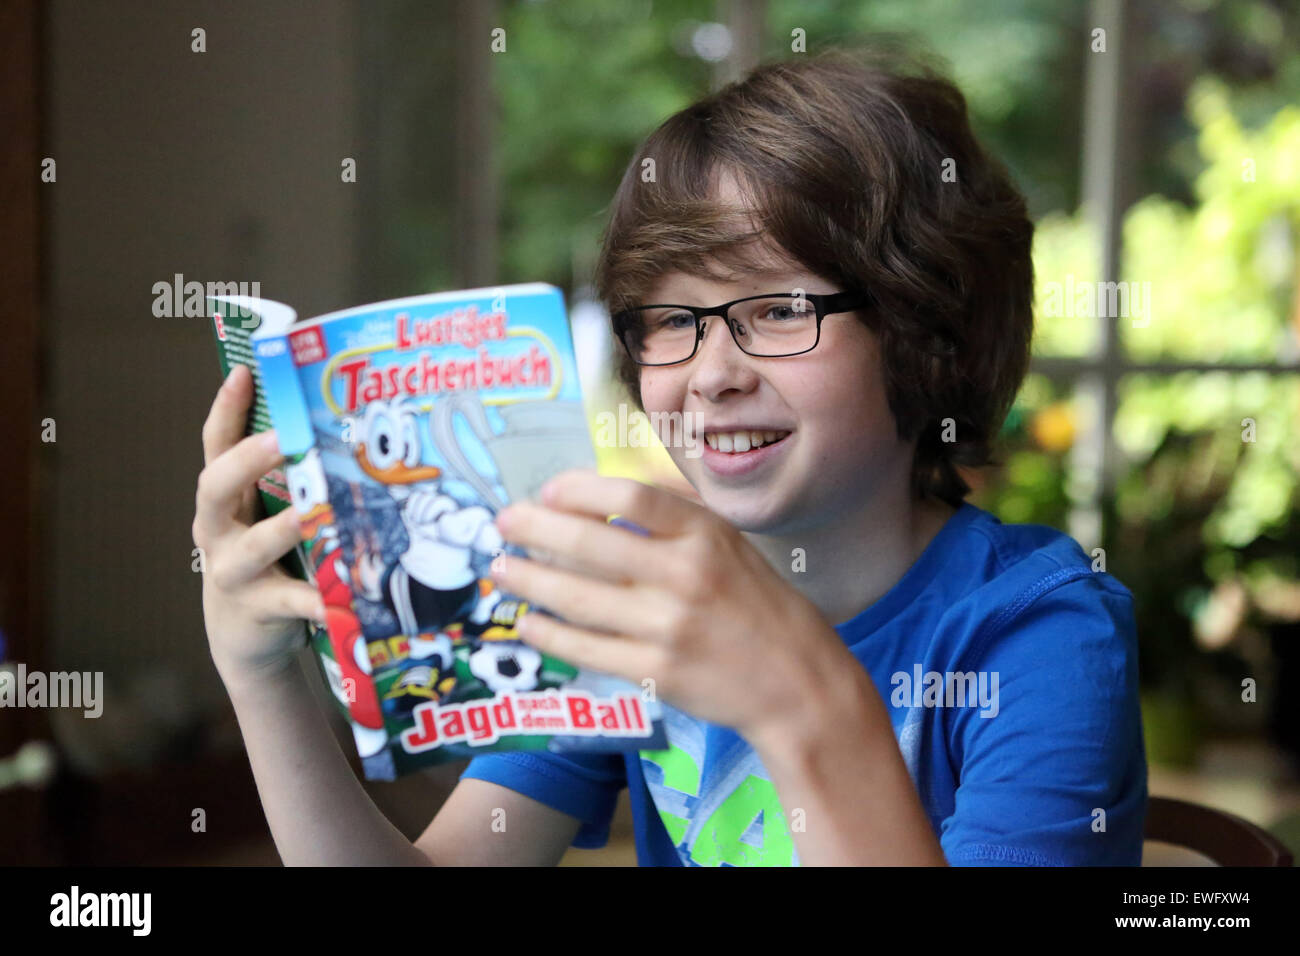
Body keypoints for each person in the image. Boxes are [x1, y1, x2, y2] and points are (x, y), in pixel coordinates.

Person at [193, 47, 1146, 866]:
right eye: (671, 321)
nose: (710, 374)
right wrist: (262, 676)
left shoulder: (1037, 634)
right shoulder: (630, 594)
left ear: (924, 330)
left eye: (778, 309)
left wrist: (793, 694)